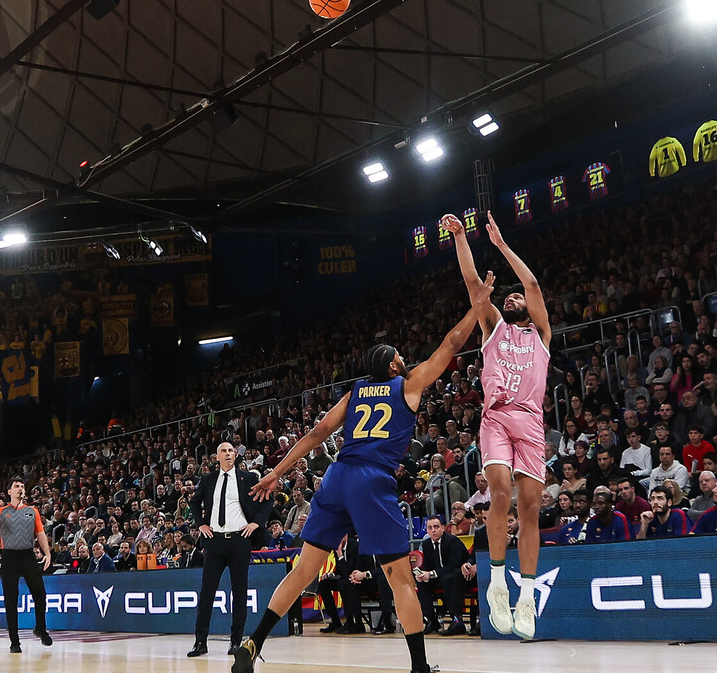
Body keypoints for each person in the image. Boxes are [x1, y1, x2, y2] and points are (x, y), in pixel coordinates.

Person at [231, 275, 493, 673]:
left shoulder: (355, 393)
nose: (405, 360)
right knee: (400, 577)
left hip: (337, 477)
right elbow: (452, 344)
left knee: (304, 569)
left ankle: (254, 641)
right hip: (372, 480)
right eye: (400, 357)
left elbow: (318, 434)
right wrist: (478, 306)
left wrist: (275, 473)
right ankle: (420, 667)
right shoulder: (407, 384)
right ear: (392, 365)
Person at [445, 211, 548, 640]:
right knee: (500, 492)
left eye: (514, 298)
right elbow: (473, 285)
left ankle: (526, 597)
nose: (510, 299)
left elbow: (534, 285)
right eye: (505, 298)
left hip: (532, 422)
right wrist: (461, 237)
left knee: (529, 510)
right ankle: (496, 583)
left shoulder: (540, 332)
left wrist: (504, 246)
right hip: (497, 418)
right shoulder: (493, 329)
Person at [185, 441, 272, 657]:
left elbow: (267, 502)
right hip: (214, 541)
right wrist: (200, 524)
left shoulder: (248, 478)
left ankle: (236, 641)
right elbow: (194, 503)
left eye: (231, 451)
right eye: (223, 451)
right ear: (217, 457)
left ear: (235, 455)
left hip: (239, 540)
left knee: (239, 592)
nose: (228, 454)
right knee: (207, 593)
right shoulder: (207, 480)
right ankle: (200, 642)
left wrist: (256, 523)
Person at [0, 477, 53, 654]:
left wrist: (47, 553)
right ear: (9, 492)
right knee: (11, 600)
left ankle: (40, 628)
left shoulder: (33, 511)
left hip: (28, 556)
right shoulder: (2, 512)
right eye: (16, 486)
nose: (20, 489)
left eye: (22, 486)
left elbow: (40, 533)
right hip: (9, 558)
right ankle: (14, 641)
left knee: (40, 594)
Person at [415, 516, 470, 636]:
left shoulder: (452, 541)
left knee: (447, 579)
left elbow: (453, 565)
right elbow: (427, 566)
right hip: (438, 576)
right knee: (421, 582)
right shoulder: (426, 544)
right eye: (430, 528)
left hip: (458, 576)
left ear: (443, 528)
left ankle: (457, 620)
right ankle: (431, 620)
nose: (433, 530)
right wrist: (422, 574)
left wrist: (432, 574)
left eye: (436, 527)